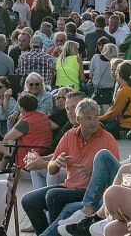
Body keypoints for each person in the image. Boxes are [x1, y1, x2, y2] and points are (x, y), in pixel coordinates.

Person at [21, 99, 119, 235]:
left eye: (96, 117)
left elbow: (116, 174)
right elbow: (52, 169)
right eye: (89, 118)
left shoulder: (107, 139)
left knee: (53, 195)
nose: (94, 122)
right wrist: (56, 163)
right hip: (70, 186)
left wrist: (92, 172)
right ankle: (46, 232)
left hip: (91, 191)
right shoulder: (69, 135)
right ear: (78, 119)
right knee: (28, 201)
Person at [99, 61, 131, 137]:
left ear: (118, 73)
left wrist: (98, 118)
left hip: (125, 125)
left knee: (98, 128)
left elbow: (113, 113)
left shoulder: (123, 90)